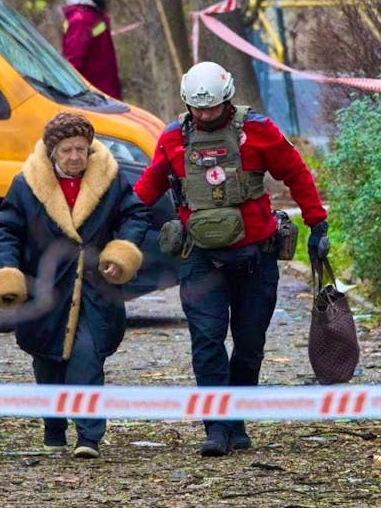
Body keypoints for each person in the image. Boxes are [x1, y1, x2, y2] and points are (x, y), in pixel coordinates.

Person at [133, 61, 330, 457]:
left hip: (256, 256)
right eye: (197, 109)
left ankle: (236, 418)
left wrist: (317, 225)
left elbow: (296, 173)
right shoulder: (173, 138)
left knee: (250, 343)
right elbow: (148, 186)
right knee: (206, 341)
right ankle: (216, 428)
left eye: (212, 109)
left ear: (227, 99)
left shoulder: (258, 130)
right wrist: (118, 226)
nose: (204, 116)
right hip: (200, 258)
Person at [0, 112, 149, 458]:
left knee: (87, 357)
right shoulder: (26, 184)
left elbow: (135, 215)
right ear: (52, 152)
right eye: (67, 151)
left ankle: (89, 436)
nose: (75, 157)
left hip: (94, 286)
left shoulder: (110, 179)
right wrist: (8, 269)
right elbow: (6, 230)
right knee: (47, 360)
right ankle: (54, 427)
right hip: (45, 288)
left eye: (81, 149)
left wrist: (120, 250)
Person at [62, 0, 122, 100]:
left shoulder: (95, 14)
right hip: (95, 95)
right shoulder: (82, 20)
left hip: (106, 88)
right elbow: (73, 61)